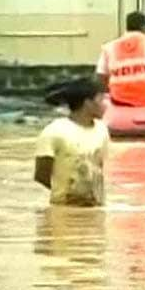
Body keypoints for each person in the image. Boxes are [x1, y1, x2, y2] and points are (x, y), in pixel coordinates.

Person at [34, 77, 110, 207]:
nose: (106, 104)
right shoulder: (54, 131)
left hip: (95, 208)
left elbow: (98, 168)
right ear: (88, 103)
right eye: (101, 99)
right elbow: (41, 175)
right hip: (64, 210)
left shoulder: (102, 130)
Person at [96, 11, 145, 106]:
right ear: (144, 26)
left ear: (127, 26)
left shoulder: (110, 46)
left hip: (118, 99)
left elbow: (101, 75)